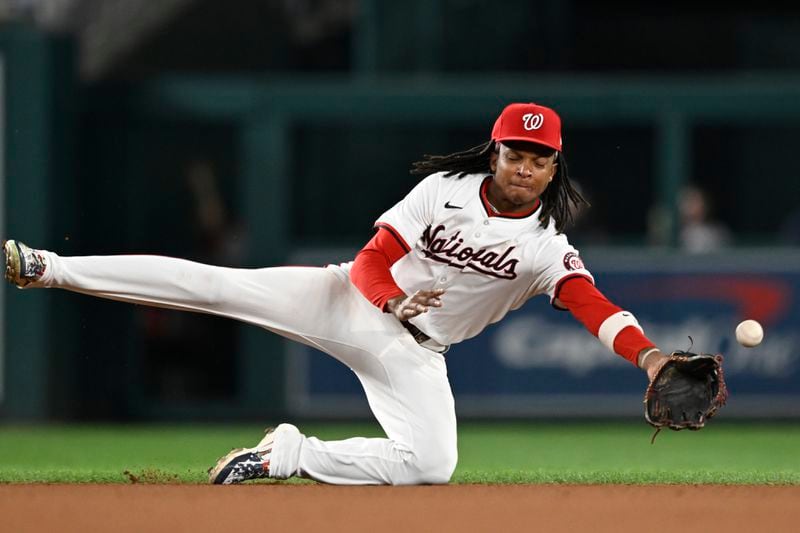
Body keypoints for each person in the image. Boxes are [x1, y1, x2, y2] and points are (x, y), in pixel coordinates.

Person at [3, 102, 669, 486]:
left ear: (554, 167)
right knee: (212, 285)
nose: (525, 165)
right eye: (515, 151)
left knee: (434, 463)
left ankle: (286, 454)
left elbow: (593, 305)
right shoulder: (443, 193)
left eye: (539, 156)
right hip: (348, 300)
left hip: (415, 350)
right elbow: (372, 261)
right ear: (493, 152)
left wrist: (650, 359)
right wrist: (388, 300)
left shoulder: (547, 245)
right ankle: (48, 267)